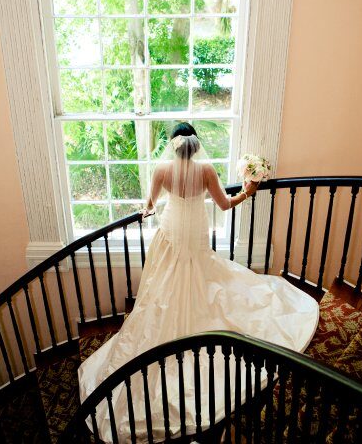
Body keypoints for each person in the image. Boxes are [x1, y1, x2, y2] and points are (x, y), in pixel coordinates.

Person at [78, 123, 319, 443]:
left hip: (170, 239)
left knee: (161, 294)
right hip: (194, 241)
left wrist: (141, 211)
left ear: (173, 146)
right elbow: (224, 204)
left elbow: (149, 206)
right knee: (207, 285)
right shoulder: (205, 171)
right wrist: (246, 193)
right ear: (195, 145)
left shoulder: (162, 170)